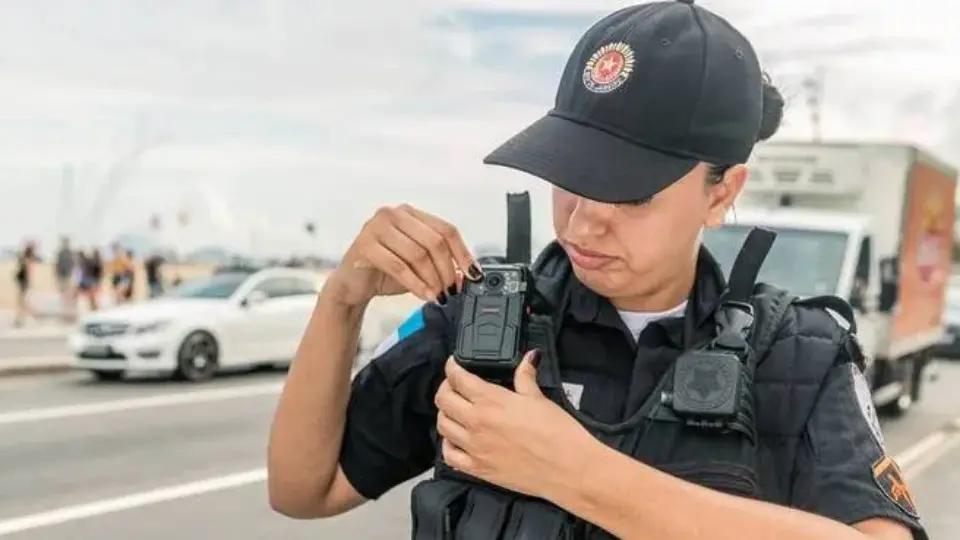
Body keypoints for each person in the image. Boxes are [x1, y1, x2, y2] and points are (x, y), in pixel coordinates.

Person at [267, 2, 925, 539]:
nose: (582, 223)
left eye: (630, 192)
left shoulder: (795, 356)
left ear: (721, 193)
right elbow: (304, 489)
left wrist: (576, 473)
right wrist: (340, 301)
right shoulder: (483, 322)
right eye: (570, 178)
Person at [12, 241, 36, 327]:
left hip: (21, 281)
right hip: (24, 281)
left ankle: (19, 319)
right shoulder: (28, 260)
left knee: (21, 301)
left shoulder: (23, 259)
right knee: (22, 301)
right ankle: (19, 320)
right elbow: (29, 272)